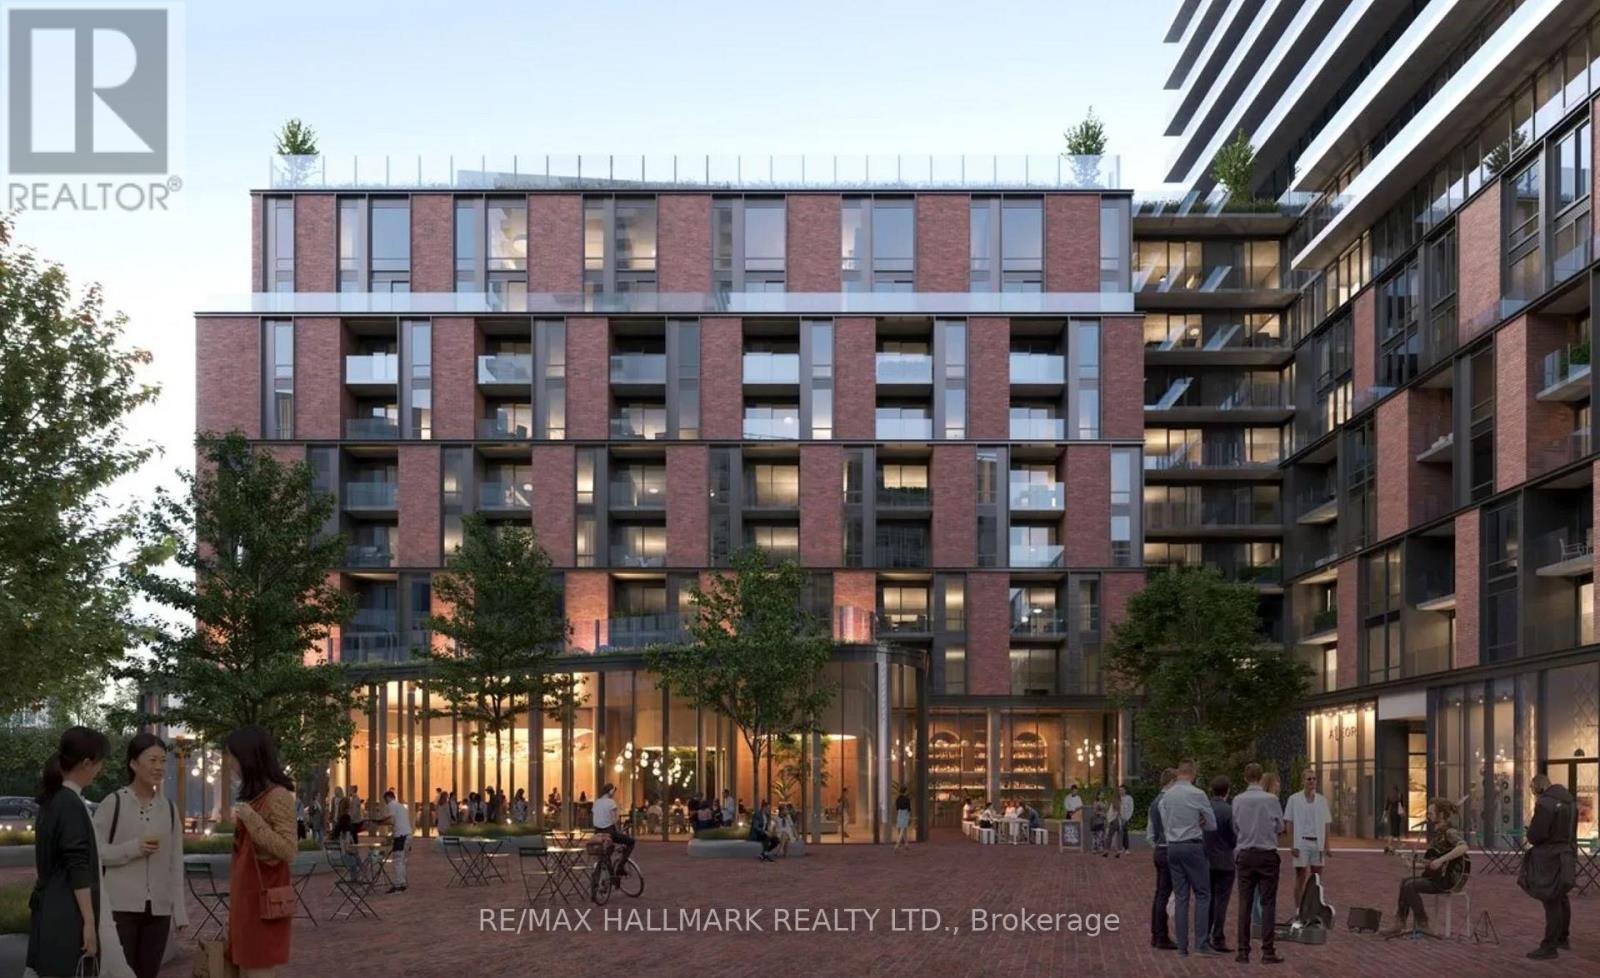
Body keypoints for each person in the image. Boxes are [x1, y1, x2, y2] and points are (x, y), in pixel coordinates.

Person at [27, 726, 128, 978]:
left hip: (51, 909)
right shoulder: (70, 803)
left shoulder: (53, 800)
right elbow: (77, 865)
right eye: (99, 763)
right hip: (68, 912)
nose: (100, 769)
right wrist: (90, 923)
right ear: (86, 763)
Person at [94, 732, 187, 978]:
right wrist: (132, 849)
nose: (159, 767)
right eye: (152, 760)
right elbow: (95, 853)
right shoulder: (112, 803)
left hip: (158, 910)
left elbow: (175, 862)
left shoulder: (168, 808)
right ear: (133, 763)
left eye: (162, 761)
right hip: (120, 908)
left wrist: (179, 912)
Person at [224, 725, 298, 977]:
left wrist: (251, 819)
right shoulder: (253, 796)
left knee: (258, 969)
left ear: (247, 757)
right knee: (245, 968)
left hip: (263, 903)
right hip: (246, 902)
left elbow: (288, 849)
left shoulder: (278, 796)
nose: (230, 762)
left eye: (233, 756)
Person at [1384, 798, 1469, 938]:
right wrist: (1411, 864)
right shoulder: (1436, 836)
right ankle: (1400, 922)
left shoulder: (1449, 832)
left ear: (1441, 814)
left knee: (1410, 885)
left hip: (1447, 880)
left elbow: (1464, 846)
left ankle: (1423, 923)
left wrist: (1441, 860)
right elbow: (1431, 863)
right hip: (1436, 877)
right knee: (1405, 881)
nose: (1428, 816)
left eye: (1430, 813)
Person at [1159, 760, 1218, 957]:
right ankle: (1201, 943)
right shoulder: (1197, 794)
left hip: (1173, 847)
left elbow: (1165, 824)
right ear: (1193, 773)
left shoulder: (1167, 796)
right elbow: (1212, 825)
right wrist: (1200, 821)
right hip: (1192, 845)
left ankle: (1182, 946)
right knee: (1202, 894)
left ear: (1178, 773)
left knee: (1181, 896)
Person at [1231, 763, 1285, 965]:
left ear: (1245, 778)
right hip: (1266, 853)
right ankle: (1268, 950)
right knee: (1268, 902)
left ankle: (1243, 951)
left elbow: (1235, 825)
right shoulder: (1271, 799)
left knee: (1244, 902)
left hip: (1245, 853)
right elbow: (1279, 825)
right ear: (1260, 777)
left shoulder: (1238, 800)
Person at [1521, 773, 1578, 959]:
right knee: (1561, 896)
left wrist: (1530, 834)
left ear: (1538, 787)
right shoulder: (1570, 801)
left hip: (1550, 856)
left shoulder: (1545, 803)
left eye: (1533, 790)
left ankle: (1549, 945)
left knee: (1551, 898)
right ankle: (1563, 938)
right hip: (1566, 853)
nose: (1534, 794)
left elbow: (1536, 834)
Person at [1283, 770, 1332, 905]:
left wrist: (1327, 845)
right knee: (1300, 875)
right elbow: (1289, 822)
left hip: (1317, 842)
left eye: (1314, 779)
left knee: (1316, 878)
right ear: (1303, 781)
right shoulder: (1294, 799)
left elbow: (1327, 823)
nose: (1312, 782)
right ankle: (1298, 909)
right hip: (1302, 841)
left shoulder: (1322, 800)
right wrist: (1292, 844)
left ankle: (1313, 907)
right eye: (1309, 779)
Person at [1203, 775, 1237, 954]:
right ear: (1227, 791)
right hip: (1224, 860)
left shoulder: (1204, 808)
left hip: (1206, 860)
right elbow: (1233, 836)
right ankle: (1218, 937)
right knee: (1221, 901)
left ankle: (1204, 935)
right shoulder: (1228, 810)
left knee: (1207, 899)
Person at [1147, 768, 1177, 950]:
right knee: (1165, 894)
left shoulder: (1154, 802)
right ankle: (1161, 936)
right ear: (1172, 781)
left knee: (1160, 893)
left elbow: (1150, 832)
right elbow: (1169, 827)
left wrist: (1156, 844)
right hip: (1168, 849)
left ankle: (1156, 934)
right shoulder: (1166, 801)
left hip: (1159, 849)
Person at [592, 783, 635, 877]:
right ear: (611, 791)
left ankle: (605, 871)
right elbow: (614, 819)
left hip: (597, 832)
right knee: (631, 842)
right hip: (609, 831)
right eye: (614, 791)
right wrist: (619, 830)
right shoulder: (611, 802)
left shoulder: (596, 802)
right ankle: (620, 867)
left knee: (605, 852)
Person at [376, 790, 411, 893]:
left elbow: (391, 820)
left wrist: (380, 823)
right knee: (403, 860)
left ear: (387, 798)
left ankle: (398, 885)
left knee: (398, 860)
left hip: (401, 836)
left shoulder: (391, 805)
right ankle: (402, 883)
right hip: (407, 834)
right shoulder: (401, 807)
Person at [1383, 783, 1406, 854]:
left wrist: (1384, 816)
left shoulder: (1389, 796)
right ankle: (1388, 845)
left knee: (1395, 829)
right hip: (1397, 814)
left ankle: (1399, 844)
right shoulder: (1399, 795)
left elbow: (1386, 807)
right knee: (1394, 831)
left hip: (1391, 813)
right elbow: (1402, 805)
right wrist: (1404, 813)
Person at [1118, 784, 1134, 852]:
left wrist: (1127, 817)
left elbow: (1131, 808)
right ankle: (1120, 847)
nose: (1120, 791)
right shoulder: (1118, 798)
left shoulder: (1129, 798)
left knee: (1125, 832)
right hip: (1118, 818)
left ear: (1125, 790)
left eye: (1122, 790)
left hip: (1125, 818)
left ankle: (1126, 848)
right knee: (1119, 833)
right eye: (1120, 790)